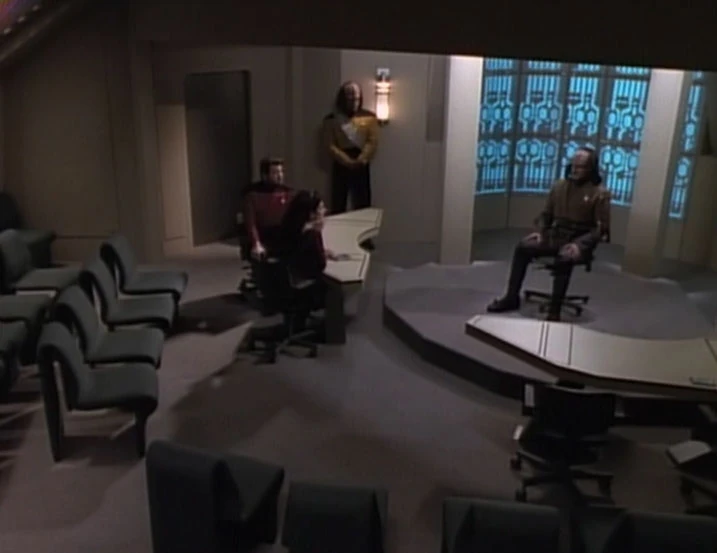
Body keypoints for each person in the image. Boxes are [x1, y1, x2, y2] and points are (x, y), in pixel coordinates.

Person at [486, 147, 611, 321]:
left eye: (580, 167)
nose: (575, 170)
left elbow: (601, 230)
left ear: (591, 169)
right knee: (523, 247)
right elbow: (546, 215)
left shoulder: (600, 193)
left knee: (565, 257)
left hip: (579, 240)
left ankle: (554, 311)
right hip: (556, 235)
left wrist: (579, 245)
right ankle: (511, 297)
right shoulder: (559, 186)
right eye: (573, 165)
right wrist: (540, 232)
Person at [323, 81, 379, 216]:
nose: (353, 99)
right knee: (338, 201)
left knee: (363, 201)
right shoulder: (332, 119)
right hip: (341, 161)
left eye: (356, 96)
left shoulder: (369, 117)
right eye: (350, 95)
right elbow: (330, 144)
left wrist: (362, 158)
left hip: (361, 161)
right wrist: (347, 161)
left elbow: (372, 141)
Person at [241, 157, 295, 260]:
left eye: (281, 172)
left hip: (283, 235)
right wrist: (256, 243)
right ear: (265, 176)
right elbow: (251, 224)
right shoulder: (252, 195)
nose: (280, 176)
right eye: (275, 173)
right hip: (263, 236)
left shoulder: (288, 193)